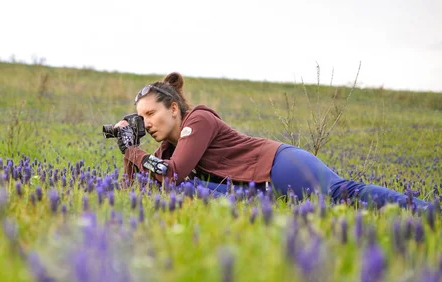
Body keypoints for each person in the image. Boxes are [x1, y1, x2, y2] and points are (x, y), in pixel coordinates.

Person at [114, 72, 432, 210]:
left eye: (150, 113)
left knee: (341, 193)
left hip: (280, 164)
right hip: (262, 189)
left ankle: (428, 210)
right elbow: (138, 188)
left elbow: (172, 173)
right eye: (140, 118)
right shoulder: (169, 151)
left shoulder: (199, 119)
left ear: (172, 108)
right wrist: (128, 149)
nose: (146, 122)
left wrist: (133, 149)